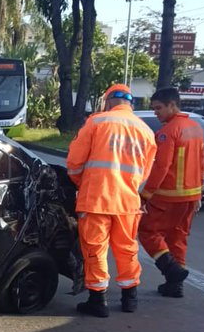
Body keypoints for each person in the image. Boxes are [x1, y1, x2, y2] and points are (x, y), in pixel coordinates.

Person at [66, 83, 157, 318]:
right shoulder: (146, 131)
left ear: (107, 101)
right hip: (127, 201)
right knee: (127, 249)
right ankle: (130, 297)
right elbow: (145, 172)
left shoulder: (97, 122)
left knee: (95, 249)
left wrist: (80, 183)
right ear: (130, 104)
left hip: (96, 198)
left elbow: (75, 162)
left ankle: (98, 300)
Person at [138, 87, 204, 299]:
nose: (156, 113)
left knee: (147, 231)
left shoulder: (168, 131)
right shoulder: (196, 128)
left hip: (169, 195)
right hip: (191, 196)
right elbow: (202, 163)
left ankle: (172, 271)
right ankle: (175, 286)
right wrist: (199, 194)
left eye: (158, 108)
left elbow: (161, 167)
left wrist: (146, 194)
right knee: (178, 238)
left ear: (172, 105)